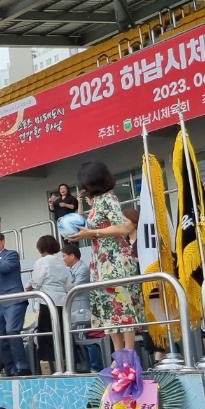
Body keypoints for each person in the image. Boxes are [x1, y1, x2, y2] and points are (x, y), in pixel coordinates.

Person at [67, 160, 143, 354]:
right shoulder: (98, 201)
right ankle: (118, 355)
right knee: (108, 307)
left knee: (121, 304)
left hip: (114, 257)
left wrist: (93, 234)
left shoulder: (109, 198)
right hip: (101, 259)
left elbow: (124, 227)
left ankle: (129, 355)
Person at [0, 233, 29, 376]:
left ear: (3, 241)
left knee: (12, 331)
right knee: (1, 338)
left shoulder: (11, 254)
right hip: (0, 303)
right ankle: (10, 368)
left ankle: (23, 367)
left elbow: (5, 268)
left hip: (14, 300)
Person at [26, 235, 70, 373]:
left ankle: (53, 368)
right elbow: (68, 285)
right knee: (62, 334)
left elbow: (36, 282)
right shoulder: (61, 262)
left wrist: (29, 287)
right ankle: (66, 364)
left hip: (47, 302)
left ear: (41, 247)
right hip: (62, 302)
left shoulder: (42, 262)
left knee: (47, 337)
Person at [62, 244, 99, 372]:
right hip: (74, 308)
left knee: (86, 338)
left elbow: (74, 288)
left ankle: (94, 367)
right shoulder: (71, 270)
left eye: (64, 256)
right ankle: (86, 365)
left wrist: (62, 287)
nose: (63, 259)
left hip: (82, 307)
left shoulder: (82, 269)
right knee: (79, 338)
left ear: (72, 256)